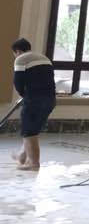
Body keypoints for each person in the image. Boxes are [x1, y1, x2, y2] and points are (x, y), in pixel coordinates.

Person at [11, 38, 56, 171]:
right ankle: (22, 156)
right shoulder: (44, 58)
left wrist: (23, 95)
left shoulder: (21, 59)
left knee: (29, 132)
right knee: (33, 129)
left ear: (17, 51)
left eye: (14, 54)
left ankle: (33, 163)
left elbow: (18, 82)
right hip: (50, 99)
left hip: (35, 99)